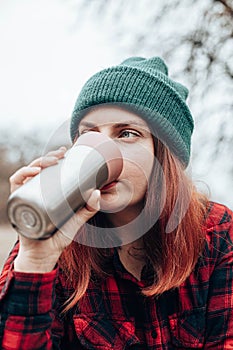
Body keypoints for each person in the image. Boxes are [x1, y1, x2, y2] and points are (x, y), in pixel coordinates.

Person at [0, 56, 233, 349]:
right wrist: (36, 258)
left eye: (126, 133)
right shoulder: (54, 233)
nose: (102, 150)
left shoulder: (217, 234)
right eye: (89, 135)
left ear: (164, 157)